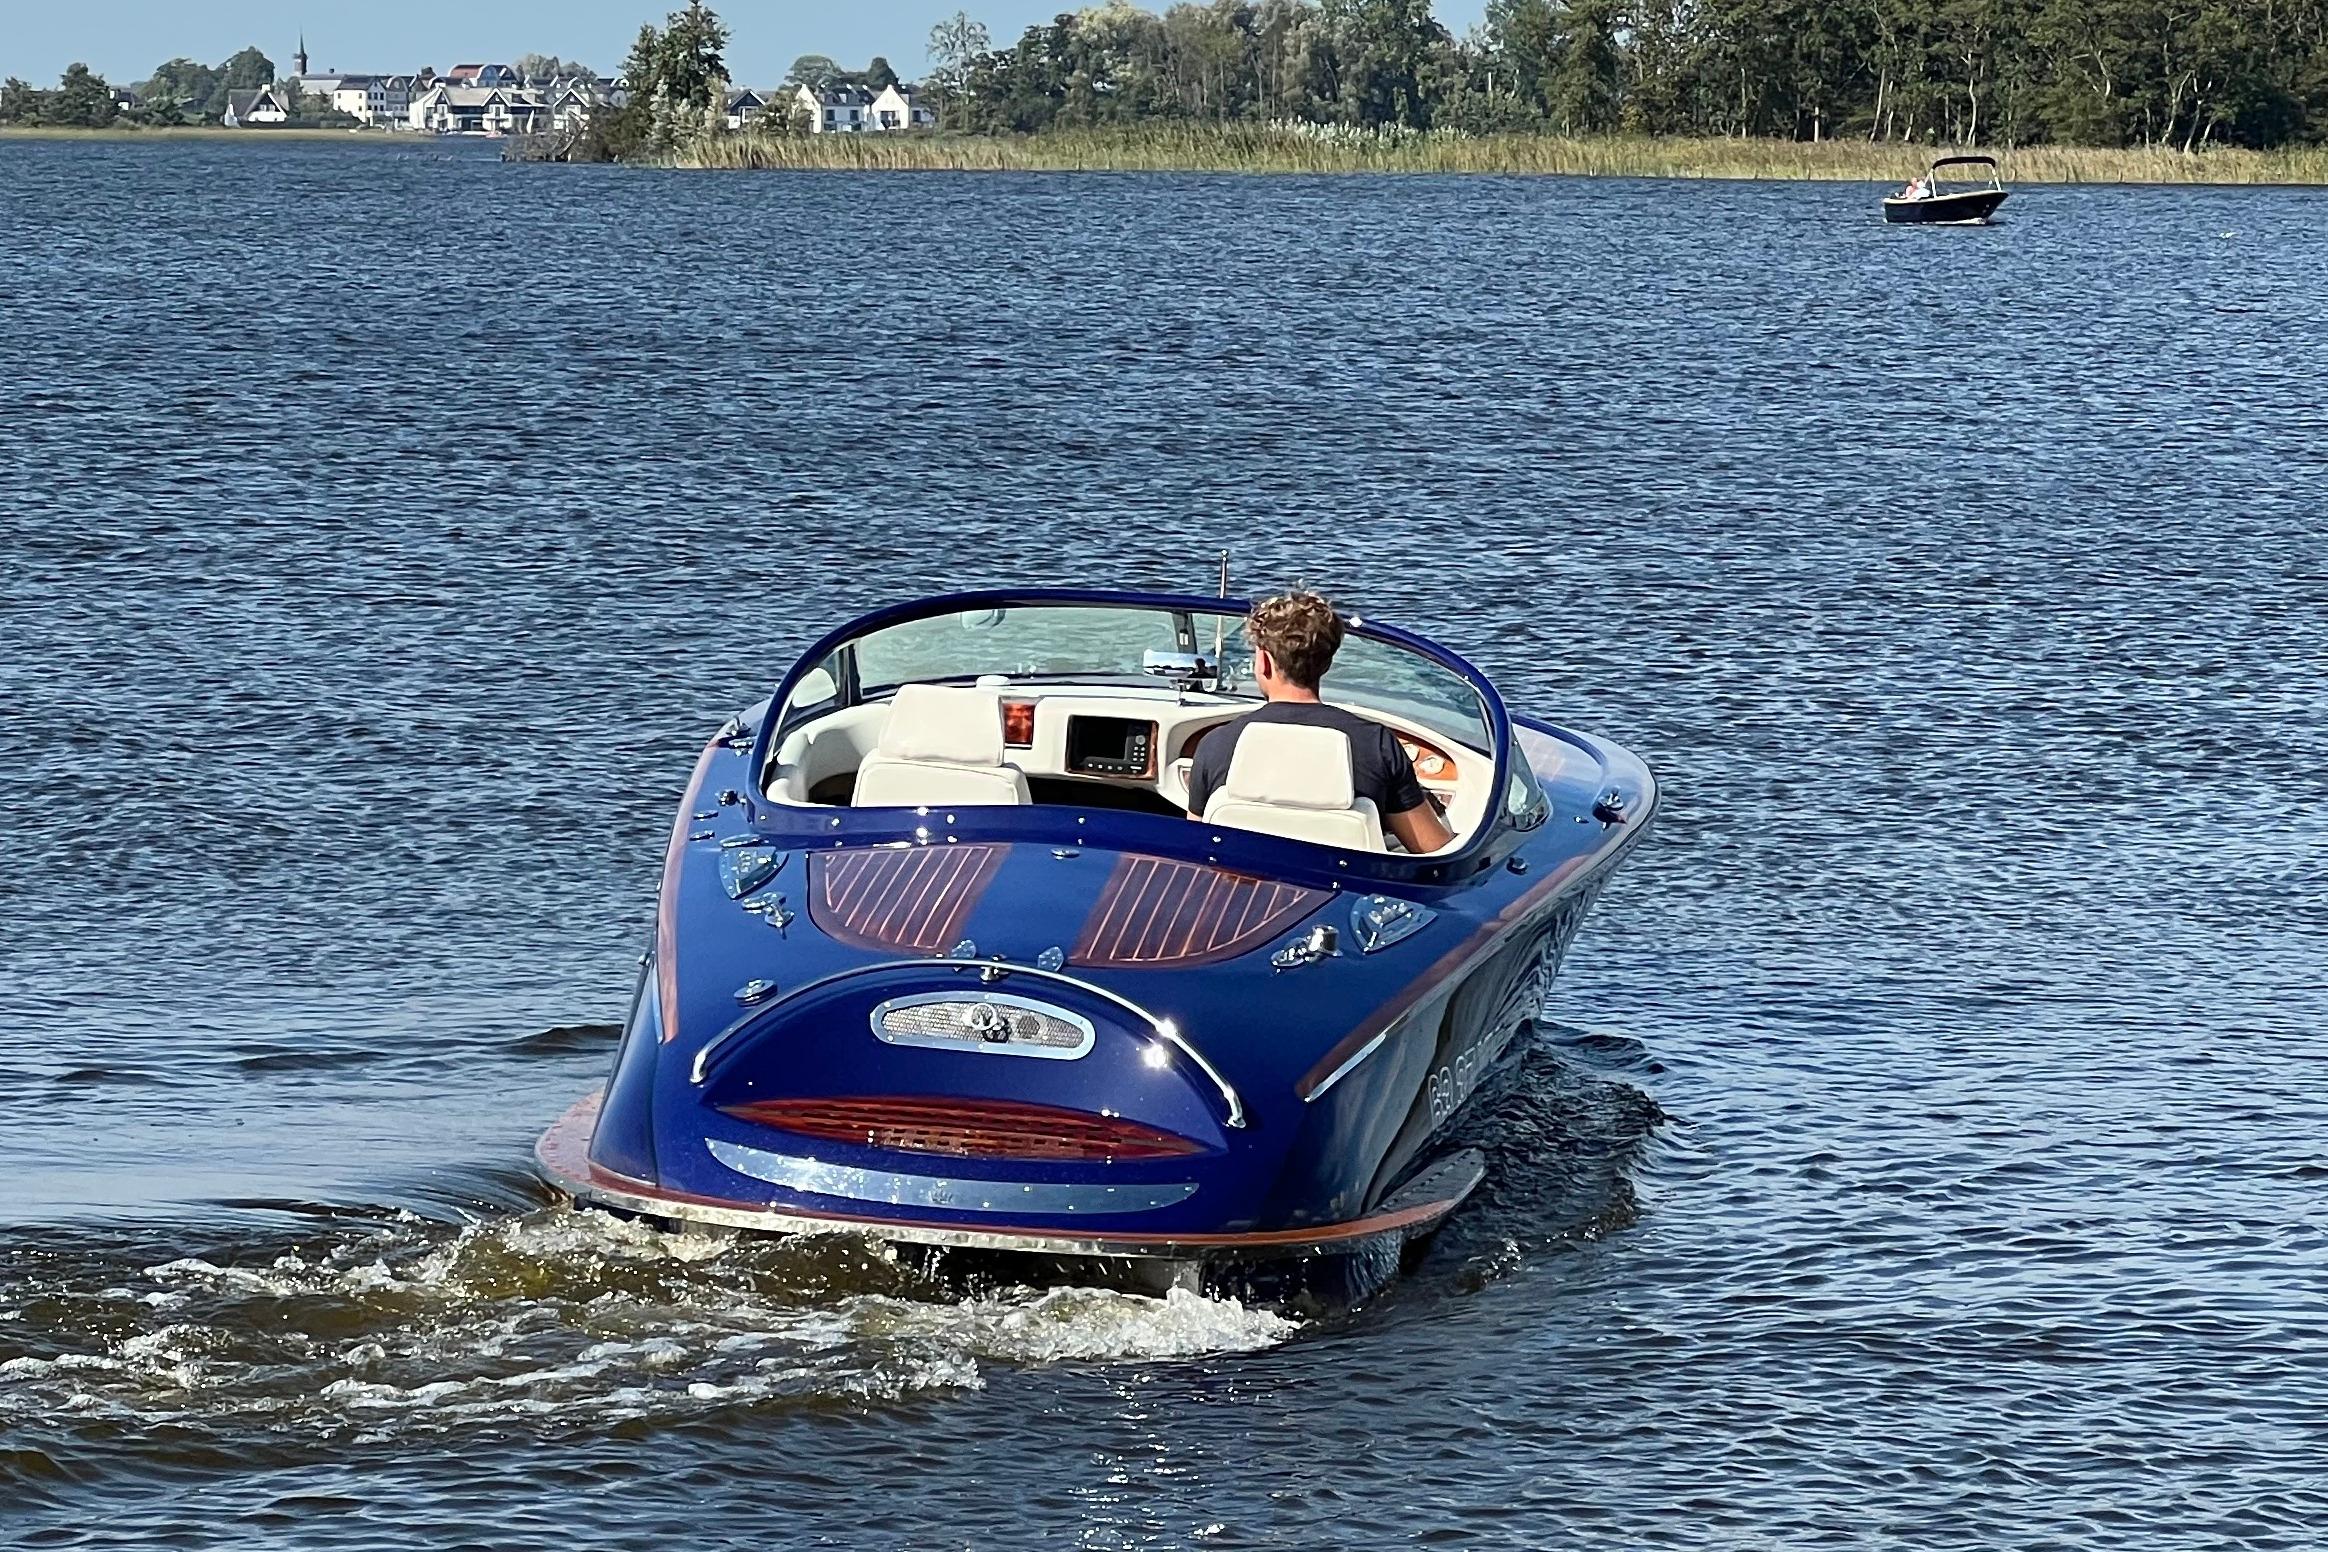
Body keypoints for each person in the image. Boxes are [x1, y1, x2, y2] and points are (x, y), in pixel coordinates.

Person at [1186, 591, 1454, 853]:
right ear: (1326, 663)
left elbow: (1195, 847)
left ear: (1264, 662)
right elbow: (1433, 850)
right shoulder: (1376, 744)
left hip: (1245, 880)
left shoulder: (1215, 744)